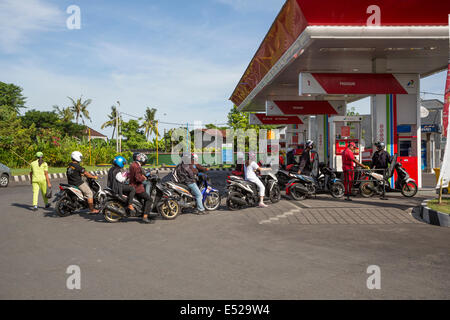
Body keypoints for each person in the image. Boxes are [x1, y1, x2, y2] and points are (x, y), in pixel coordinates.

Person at [129, 153, 154, 224]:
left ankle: (144, 212)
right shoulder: (137, 166)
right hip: (137, 187)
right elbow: (138, 178)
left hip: (133, 185)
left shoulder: (133, 164)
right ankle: (145, 217)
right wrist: (144, 178)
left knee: (143, 200)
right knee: (149, 199)